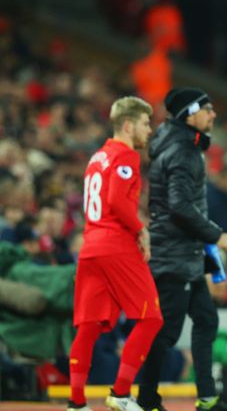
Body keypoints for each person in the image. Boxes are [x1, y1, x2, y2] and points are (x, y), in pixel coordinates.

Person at [137, 88, 227, 411]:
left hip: (184, 255)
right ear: (190, 114)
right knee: (166, 332)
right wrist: (216, 235)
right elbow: (180, 207)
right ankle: (146, 399)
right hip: (174, 256)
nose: (213, 114)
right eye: (207, 109)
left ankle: (207, 397)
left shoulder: (182, 146)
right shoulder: (183, 151)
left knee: (206, 319)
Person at [68, 96, 163, 411]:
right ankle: (120, 393)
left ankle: (76, 402)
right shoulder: (126, 155)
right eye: (145, 123)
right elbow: (116, 201)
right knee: (150, 318)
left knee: (89, 326)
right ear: (128, 125)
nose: (149, 130)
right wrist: (141, 230)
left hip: (90, 247)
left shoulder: (97, 157)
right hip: (116, 245)